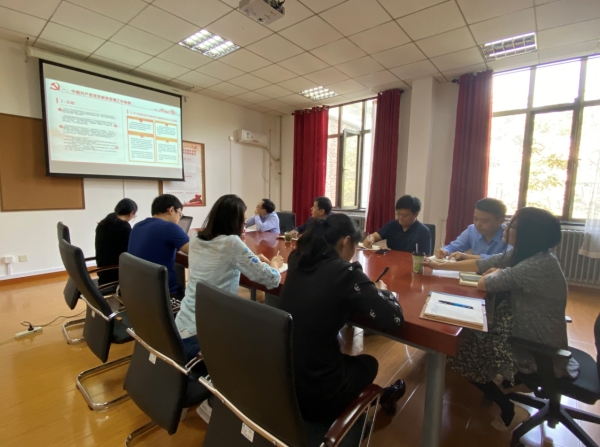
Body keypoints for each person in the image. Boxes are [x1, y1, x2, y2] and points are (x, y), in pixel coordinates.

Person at [424, 207, 579, 432]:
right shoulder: (531, 254)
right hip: (532, 332)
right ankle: (506, 383)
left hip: (537, 349)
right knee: (474, 333)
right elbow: (482, 265)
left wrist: (495, 272)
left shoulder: (534, 266)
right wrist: (440, 266)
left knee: (461, 352)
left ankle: (509, 410)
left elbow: (484, 283)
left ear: (528, 234)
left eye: (512, 225)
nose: (506, 227)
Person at [280, 214, 406, 424]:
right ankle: (369, 400)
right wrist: (384, 293)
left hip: (285, 377)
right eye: (355, 246)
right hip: (318, 389)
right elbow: (394, 320)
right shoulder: (346, 272)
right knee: (369, 364)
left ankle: (380, 396)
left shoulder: (297, 259)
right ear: (346, 241)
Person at [175, 194, 283, 360]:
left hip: (180, 327)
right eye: (243, 222)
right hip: (205, 336)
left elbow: (220, 257)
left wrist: (251, 258)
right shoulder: (232, 242)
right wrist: (275, 265)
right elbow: (271, 279)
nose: (244, 226)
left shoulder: (196, 238)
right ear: (233, 222)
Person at [128, 194, 190, 299]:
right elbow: (195, 251)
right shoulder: (169, 227)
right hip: (163, 294)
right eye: (180, 214)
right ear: (171, 210)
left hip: (136, 290)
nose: (179, 218)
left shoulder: (138, 226)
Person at [435, 198, 509, 260]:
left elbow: (506, 259)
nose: (478, 224)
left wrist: (467, 257)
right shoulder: (472, 230)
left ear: (500, 221)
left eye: (484, 221)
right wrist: (445, 251)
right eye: (475, 219)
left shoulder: (509, 235)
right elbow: (454, 247)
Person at [363, 195, 431, 254]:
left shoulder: (423, 232)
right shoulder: (392, 225)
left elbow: (424, 258)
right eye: (398, 214)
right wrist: (370, 239)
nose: (400, 218)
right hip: (391, 263)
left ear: (416, 215)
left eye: (405, 215)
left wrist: (392, 253)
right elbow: (374, 236)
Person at [95, 198, 138, 286]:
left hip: (102, 270)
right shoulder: (124, 227)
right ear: (131, 213)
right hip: (114, 273)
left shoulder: (105, 222)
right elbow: (128, 252)